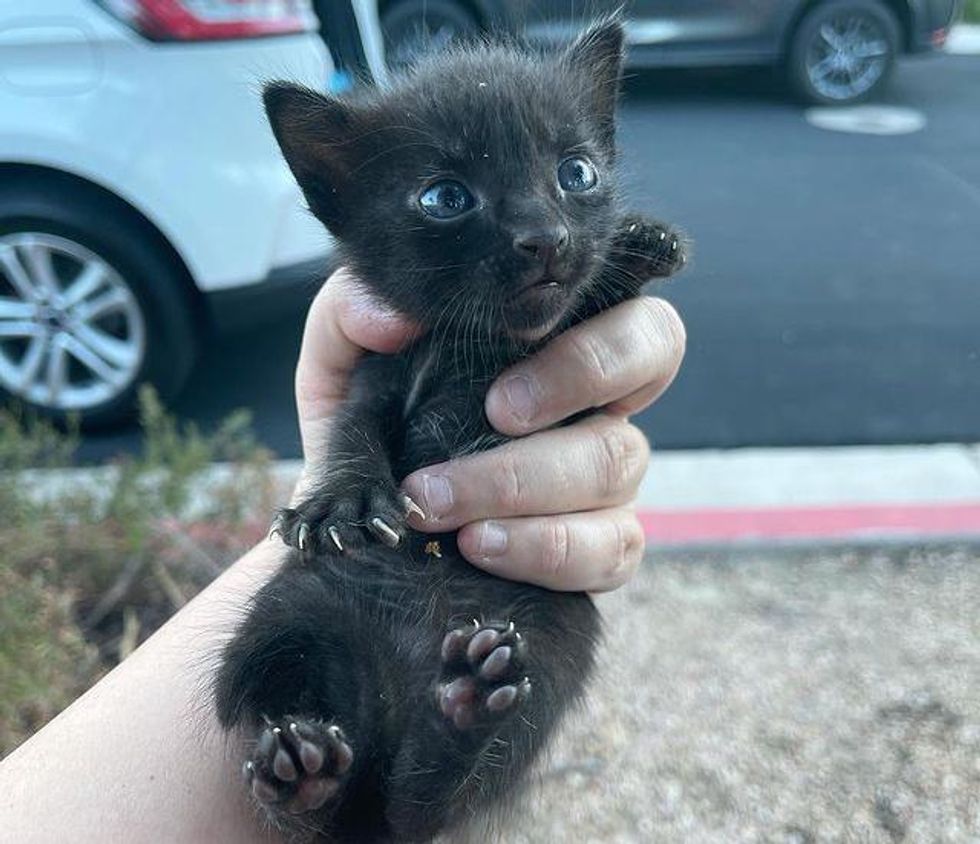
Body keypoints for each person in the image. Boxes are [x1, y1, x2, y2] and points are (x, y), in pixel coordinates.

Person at [0, 268, 685, 842]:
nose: (536, 233)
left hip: (438, 630)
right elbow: (365, 416)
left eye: (577, 176)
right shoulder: (394, 333)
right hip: (379, 641)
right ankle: (399, 765)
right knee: (330, 640)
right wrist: (344, 482)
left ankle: (392, 769)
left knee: (550, 631)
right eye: (446, 198)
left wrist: (611, 275)